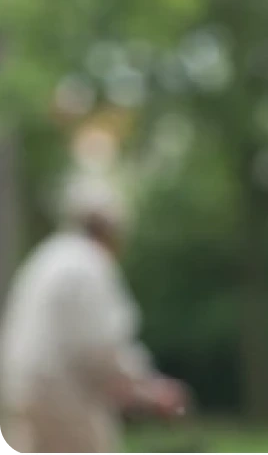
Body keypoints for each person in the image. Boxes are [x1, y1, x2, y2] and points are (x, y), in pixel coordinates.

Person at [0, 170, 189, 452]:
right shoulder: (91, 264)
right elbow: (103, 347)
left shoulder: (48, 255)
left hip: (19, 391)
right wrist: (151, 389)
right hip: (64, 394)